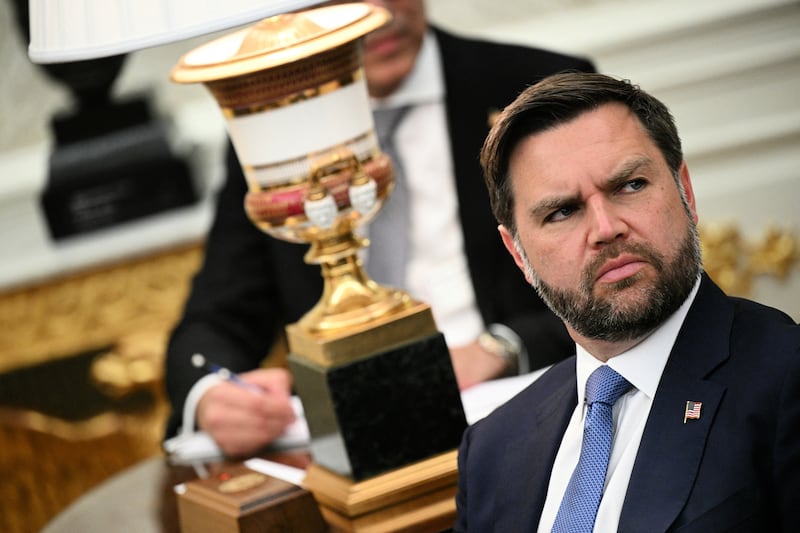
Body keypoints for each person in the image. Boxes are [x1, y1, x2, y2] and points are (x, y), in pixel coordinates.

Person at [163, 0, 595, 458]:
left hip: (529, 415)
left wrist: (504, 346)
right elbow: (217, 314)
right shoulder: (269, 130)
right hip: (351, 445)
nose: (379, 11)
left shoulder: (539, 87)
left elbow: (615, 273)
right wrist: (211, 392)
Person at [455, 71, 800, 532]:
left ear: (686, 192)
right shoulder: (491, 449)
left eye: (630, 186)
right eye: (562, 212)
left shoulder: (785, 379)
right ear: (518, 253)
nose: (605, 228)